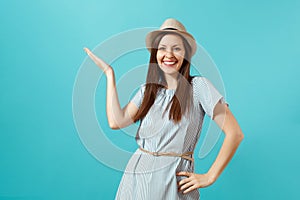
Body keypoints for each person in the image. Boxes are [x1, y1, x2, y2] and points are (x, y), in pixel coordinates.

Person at [84, 18, 244, 200]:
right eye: (162, 48)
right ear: (155, 53)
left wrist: (210, 176)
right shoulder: (148, 90)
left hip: (173, 182)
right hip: (137, 178)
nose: (169, 54)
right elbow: (116, 121)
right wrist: (109, 74)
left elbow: (235, 133)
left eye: (176, 48)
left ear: (186, 54)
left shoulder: (199, 87)